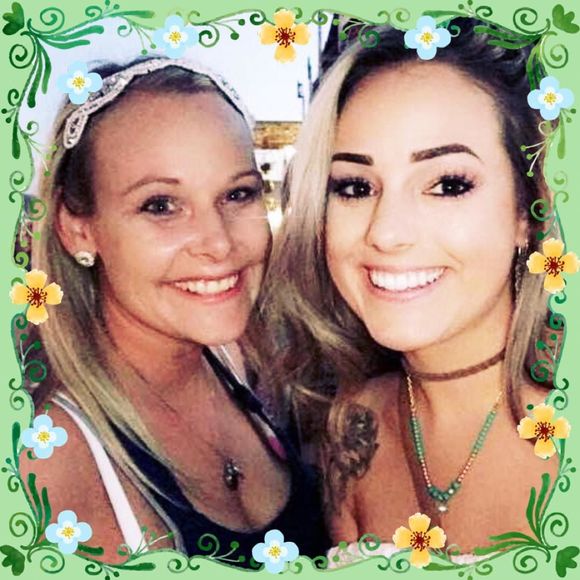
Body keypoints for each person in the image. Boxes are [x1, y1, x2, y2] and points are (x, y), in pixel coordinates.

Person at [261, 18, 566, 562]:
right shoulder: (353, 426)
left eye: (448, 184)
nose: (386, 232)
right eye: (355, 186)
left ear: (528, 212)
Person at [25, 57, 328, 565]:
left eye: (237, 194)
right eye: (161, 205)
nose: (218, 243)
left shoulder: (236, 361)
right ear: (78, 229)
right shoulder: (48, 462)